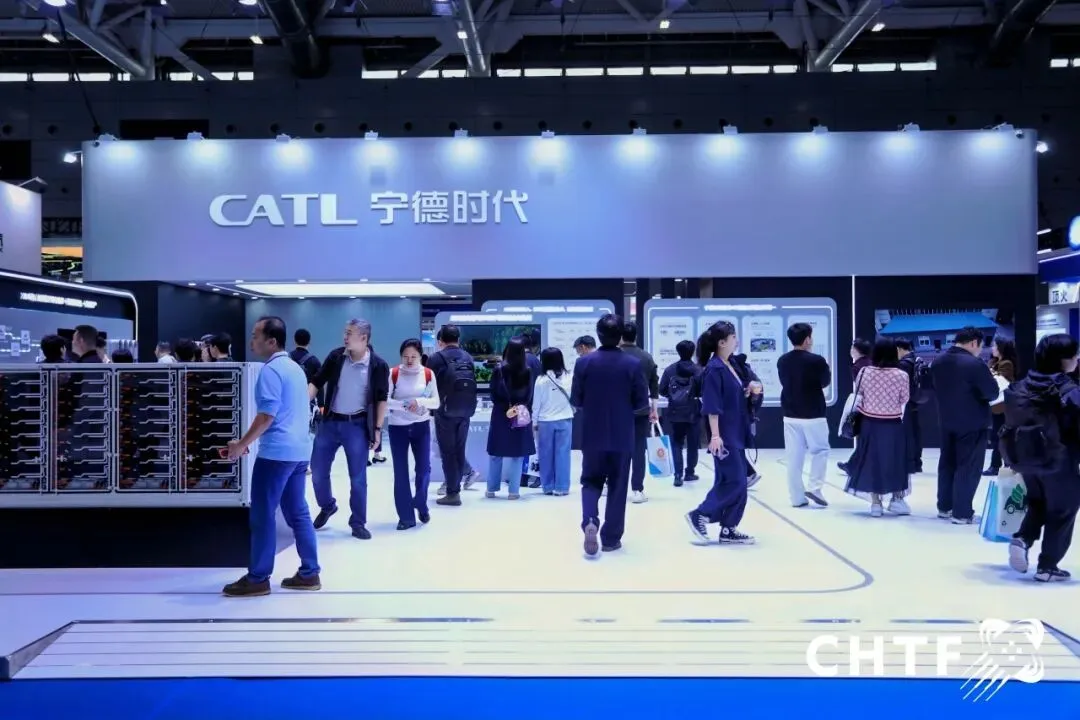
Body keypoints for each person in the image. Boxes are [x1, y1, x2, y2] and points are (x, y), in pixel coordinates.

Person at [222, 316, 320, 597]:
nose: (251, 340)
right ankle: (310, 573)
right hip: (299, 451)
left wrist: (241, 444)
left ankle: (258, 577)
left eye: (256, 335)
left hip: (276, 454)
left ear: (272, 341)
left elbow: (267, 416)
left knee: (263, 515)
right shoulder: (295, 369)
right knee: (298, 512)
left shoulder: (271, 371)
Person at [1004, 333, 1080, 582]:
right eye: (1074, 355)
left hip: (1027, 458)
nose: (1077, 359)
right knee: (1063, 509)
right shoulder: (1068, 390)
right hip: (1060, 460)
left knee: (1038, 502)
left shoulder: (1021, 386)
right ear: (1062, 359)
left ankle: (1023, 538)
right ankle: (1048, 566)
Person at [572, 314, 649, 556]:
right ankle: (611, 538)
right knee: (618, 485)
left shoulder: (583, 363)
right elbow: (641, 403)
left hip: (592, 433)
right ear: (621, 335)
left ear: (598, 334)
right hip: (622, 434)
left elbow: (576, 400)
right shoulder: (632, 364)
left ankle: (590, 519)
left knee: (590, 480)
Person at [307, 318, 390, 540]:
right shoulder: (336, 357)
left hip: (357, 425)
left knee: (358, 477)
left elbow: (381, 399)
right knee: (317, 471)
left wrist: (377, 429)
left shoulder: (378, 365)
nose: (344, 337)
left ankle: (358, 522)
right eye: (345, 332)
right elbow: (317, 381)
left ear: (363, 338)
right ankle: (327, 506)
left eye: (349, 333)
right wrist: (301, 404)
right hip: (330, 422)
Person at [685, 321, 755, 545]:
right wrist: (715, 436)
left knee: (739, 481)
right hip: (725, 435)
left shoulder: (730, 364)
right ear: (722, 343)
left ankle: (729, 527)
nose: (737, 341)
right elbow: (712, 406)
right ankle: (700, 514)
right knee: (734, 481)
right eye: (733, 337)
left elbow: (730, 396)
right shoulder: (715, 368)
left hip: (737, 431)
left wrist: (747, 392)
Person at [930, 326, 1000, 524]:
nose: (980, 350)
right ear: (973, 342)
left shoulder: (938, 361)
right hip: (972, 422)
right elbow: (992, 393)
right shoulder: (974, 364)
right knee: (968, 467)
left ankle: (945, 507)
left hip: (946, 420)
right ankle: (962, 513)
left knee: (947, 463)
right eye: (980, 346)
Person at [843, 337, 911, 516]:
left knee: (871, 461)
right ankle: (896, 499)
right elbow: (904, 398)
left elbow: (859, 393)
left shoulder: (864, 372)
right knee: (894, 461)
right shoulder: (901, 375)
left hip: (869, 424)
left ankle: (875, 504)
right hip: (893, 424)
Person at [387, 338, 440, 529]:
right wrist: (403, 405)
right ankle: (406, 517)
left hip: (421, 425)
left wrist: (419, 402)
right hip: (397, 427)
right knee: (400, 472)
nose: (409, 360)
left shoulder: (428, 374)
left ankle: (421, 503)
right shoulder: (393, 373)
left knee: (424, 469)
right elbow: (385, 400)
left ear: (420, 356)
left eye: (413, 357)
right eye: (405, 356)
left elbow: (436, 402)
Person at [777, 322, 832, 508]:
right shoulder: (817, 361)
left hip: (790, 412)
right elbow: (825, 382)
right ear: (807, 339)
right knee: (820, 450)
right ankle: (815, 487)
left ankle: (796, 497)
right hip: (814, 413)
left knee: (793, 457)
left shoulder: (782, 360)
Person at [428, 324, 479, 506]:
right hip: (466, 411)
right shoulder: (468, 357)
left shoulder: (435, 358)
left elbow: (428, 385)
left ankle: (452, 493)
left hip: (444, 411)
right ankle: (454, 489)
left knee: (447, 452)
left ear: (441, 339)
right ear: (458, 339)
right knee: (459, 450)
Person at [486, 337, 536, 499]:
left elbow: (493, 395)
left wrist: (506, 408)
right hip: (520, 414)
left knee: (496, 452)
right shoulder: (528, 371)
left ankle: (491, 489)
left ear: (507, 350)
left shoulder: (498, 369)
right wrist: (518, 407)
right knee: (517, 454)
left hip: (501, 415)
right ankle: (513, 491)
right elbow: (529, 396)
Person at [619, 321, 659, 504]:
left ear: (621, 336)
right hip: (641, 410)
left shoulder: (614, 356)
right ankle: (637, 489)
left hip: (617, 412)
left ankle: (615, 486)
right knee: (638, 451)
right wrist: (654, 410)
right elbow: (654, 386)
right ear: (636, 336)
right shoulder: (646, 357)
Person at [659, 340, 702, 487]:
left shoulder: (670, 370)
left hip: (675, 411)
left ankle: (678, 475)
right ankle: (690, 472)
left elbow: (662, 389)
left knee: (677, 443)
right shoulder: (698, 370)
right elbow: (704, 390)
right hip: (694, 411)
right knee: (693, 443)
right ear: (693, 352)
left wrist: (674, 396)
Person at [533, 347, 574, 496]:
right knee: (563, 454)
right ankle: (562, 487)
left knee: (545, 454)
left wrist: (534, 422)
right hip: (565, 419)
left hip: (545, 421)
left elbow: (536, 404)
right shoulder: (569, 377)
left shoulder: (541, 380)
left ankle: (548, 486)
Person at [985, 336, 1019, 476]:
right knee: (998, 436)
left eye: (995, 346)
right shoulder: (993, 362)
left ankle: (998, 465)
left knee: (1000, 436)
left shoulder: (1006, 364)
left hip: (1004, 406)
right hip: (996, 405)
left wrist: (989, 374)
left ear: (1001, 348)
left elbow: (1002, 382)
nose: (992, 348)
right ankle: (1003, 465)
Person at [837, 338, 872, 475]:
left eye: (853, 348)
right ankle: (853, 465)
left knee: (864, 439)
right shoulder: (870, 362)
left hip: (864, 406)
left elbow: (861, 389)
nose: (851, 350)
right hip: (875, 405)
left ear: (857, 350)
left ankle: (853, 466)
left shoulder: (858, 367)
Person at [895, 338, 924, 474]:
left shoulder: (903, 364)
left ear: (899, 349)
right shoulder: (916, 360)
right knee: (915, 432)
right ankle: (917, 463)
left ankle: (910, 464)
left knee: (907, 433)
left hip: (906, 402)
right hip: (915, 400)